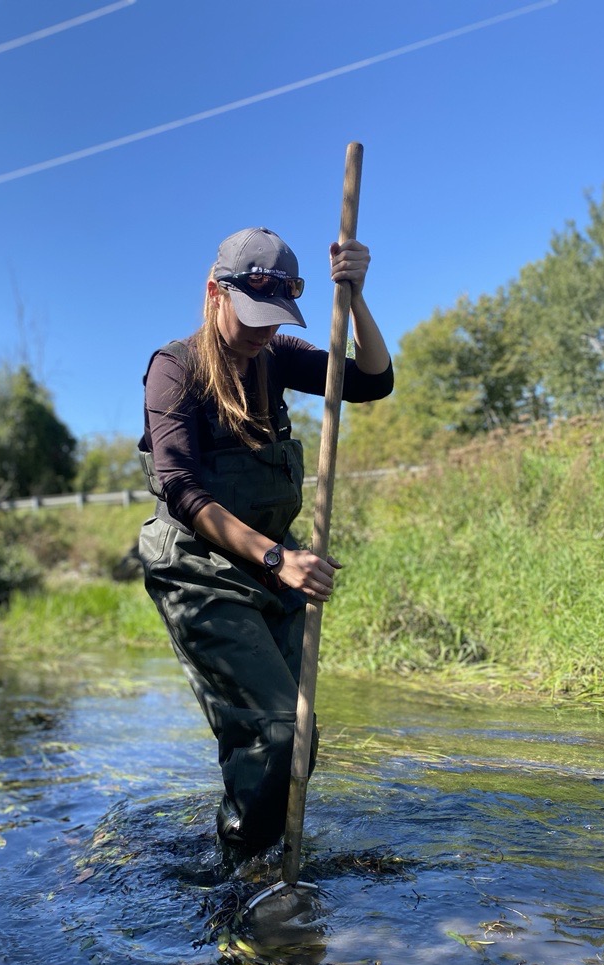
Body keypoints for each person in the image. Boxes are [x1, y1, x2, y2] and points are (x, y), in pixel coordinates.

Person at [138, 226, 393, 859]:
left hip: (268, 569)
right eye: (251, 315)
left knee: (299, 738)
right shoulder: (175, 369)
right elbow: (181, 491)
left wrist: (355, 295)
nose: (261, 330)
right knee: (276, 730)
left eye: (273, 317)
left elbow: (371, 379)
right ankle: (239, 871)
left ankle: (272, 862)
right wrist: (279, 558)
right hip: (198, 570)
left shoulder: (275, 354)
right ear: (214, 293)